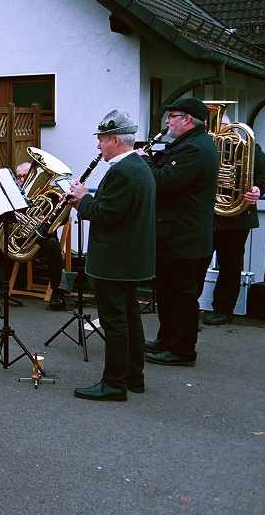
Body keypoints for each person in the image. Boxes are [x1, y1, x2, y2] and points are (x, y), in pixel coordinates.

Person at [65, 109, 155, 401]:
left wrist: (83, 199)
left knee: (114, 322)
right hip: (131, 258)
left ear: (115, 140)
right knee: (130, 317)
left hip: (115, 260)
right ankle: (134, 377)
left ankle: (114, 384)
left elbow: (106, 215)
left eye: (102, 139)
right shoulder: (139, 165)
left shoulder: (122, 171)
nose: (98, 145)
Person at [139, 97, 218, 367]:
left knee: (182, 296)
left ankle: (183, 351)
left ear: (187, 119)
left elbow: (165, 182)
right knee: (168, 293)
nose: (167, 121)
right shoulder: (189, 144)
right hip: (177, 234)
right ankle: (167, 339)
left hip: (184, 237)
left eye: (172, 116)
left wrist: (145, 160)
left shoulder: (194, 148)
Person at [205, 117, 265, 325]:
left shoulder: (245, 147)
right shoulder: (203, 147)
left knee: (230, 265)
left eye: (219, 127)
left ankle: (223, 309)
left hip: (235, 216)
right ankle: (188, 309)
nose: (215, 132)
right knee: (196, 264)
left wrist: (258, 188)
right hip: (206, 215)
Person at [12, 162, 71, 310]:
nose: (21, 180)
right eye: (18, 177)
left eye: (25, 176)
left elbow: (64, 217)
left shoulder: (51, 195)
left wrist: (48, 218)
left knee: (53, 247)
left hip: (42, 239)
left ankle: (58, 293)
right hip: (19, 240)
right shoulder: (13, 195)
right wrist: (11, 215)